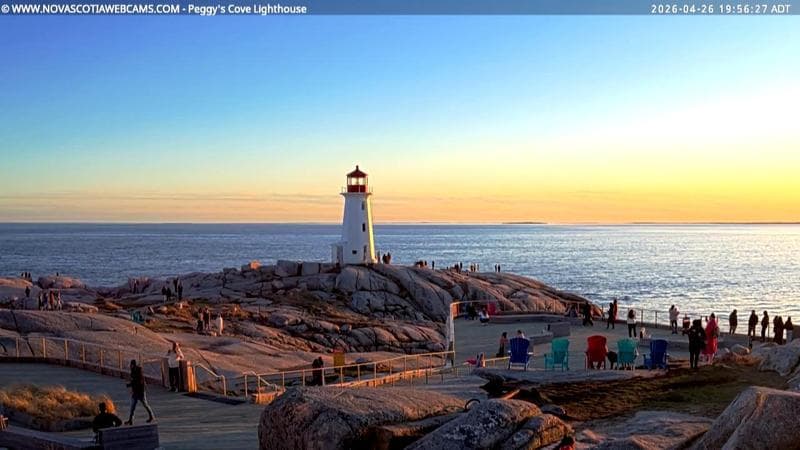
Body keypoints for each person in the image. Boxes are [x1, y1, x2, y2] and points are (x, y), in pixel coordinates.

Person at [125, 360, 155, 425]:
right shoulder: (133, 371)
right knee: (133, 406)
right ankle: (130, 420)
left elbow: (138, 382)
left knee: (145, 405)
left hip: (140, 392)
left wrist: (130, 384)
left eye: (131, 365)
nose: (130, 366)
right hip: (136, 392)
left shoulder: (138, 372)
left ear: (133, 365)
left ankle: (151, 416)